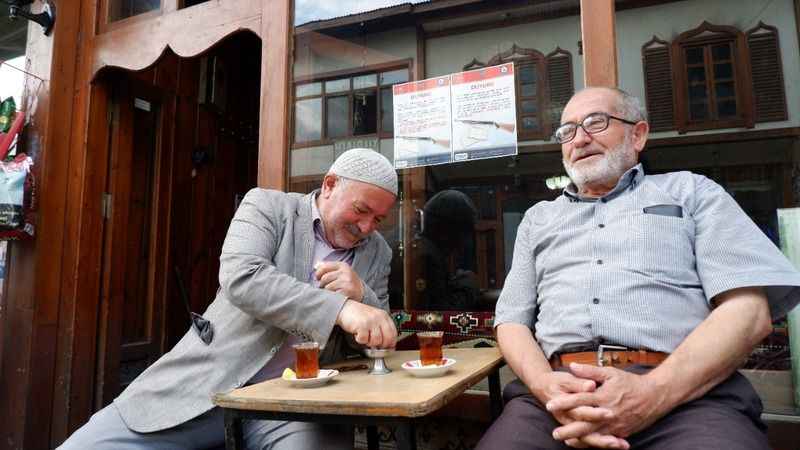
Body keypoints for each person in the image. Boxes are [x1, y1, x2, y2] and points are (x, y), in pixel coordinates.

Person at [477, 87, 800, 450]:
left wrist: (652, 393)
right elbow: (511, 321)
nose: (579, 139)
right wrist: (544, 385)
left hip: (685, 397)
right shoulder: (538, 218)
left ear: (638, 134)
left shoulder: (691, 193)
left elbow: (749, 311)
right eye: (567, 131)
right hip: (556, 395)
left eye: (596, 122)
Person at [59, 148, 400, 449]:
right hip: (207, 383)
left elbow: (376, 341)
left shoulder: (378, 252)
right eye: (361, 210)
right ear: (329, 185)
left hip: (295, 406)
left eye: (379, 219)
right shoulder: (268, 207)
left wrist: (362, 294)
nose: (367, 227)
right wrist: (340, 308)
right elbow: (242, 278)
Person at [418, 189, 482, 311]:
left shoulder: (424, 248)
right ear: (447, 230)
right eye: (463, 232)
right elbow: (442, 314)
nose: (462, 242)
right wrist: (469, 285)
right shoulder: (428, 256)